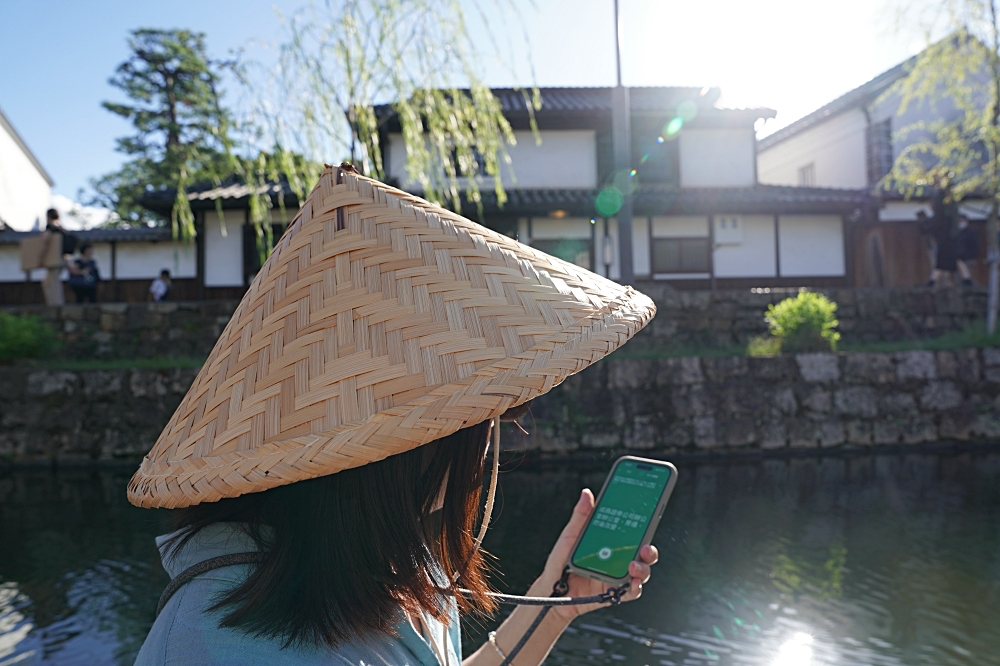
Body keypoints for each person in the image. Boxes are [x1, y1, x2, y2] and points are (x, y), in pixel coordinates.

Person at [129, 164, 659, 665]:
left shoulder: (386, 556)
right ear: (405, 444)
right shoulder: (213, 645)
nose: (491, 445)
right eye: (486, 417)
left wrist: (558, 596)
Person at [41, 208, 74, 305]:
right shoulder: (62, 230)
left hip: (54, 259)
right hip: (62, 259)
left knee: (53, 283)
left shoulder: (51, 228)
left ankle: (56, 304)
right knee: (48, 282)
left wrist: (40, 255)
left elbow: (44, 240)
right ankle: (52, 302)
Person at [954, 215, 979, 287]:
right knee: (958, 279)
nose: (960, 222)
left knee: (967, 277)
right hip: (957, 258)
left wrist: (974, 258)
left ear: (966, 221)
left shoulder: (971, 233)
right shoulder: (956, 232)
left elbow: (974, 246)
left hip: (968, 258)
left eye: (962, 221)